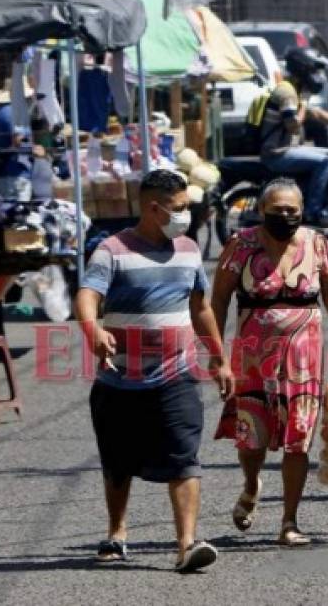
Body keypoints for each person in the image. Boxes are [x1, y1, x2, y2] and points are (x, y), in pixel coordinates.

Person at [75, 169, 234, 573]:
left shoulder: (188, 249)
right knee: (118, 462)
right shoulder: (112, 250)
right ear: (153, 207)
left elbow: (199, 307)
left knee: (184, 457)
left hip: (176, 374)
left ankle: (186, 544)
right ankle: (117, 533)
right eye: (180, 208)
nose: (186, 215)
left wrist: (219, 356)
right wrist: (93, 329)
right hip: (119, 379)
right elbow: (88, 295)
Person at [212, 178, 328, 545]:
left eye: (292, 211)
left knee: (299, 441)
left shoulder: (317, 244)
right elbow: (216, 303)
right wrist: (217, 357)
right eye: (276, 211)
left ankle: (289, 522)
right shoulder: (240, 245)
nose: (285, 217)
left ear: (302, 211)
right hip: (251, 360)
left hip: (304, 362)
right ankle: (251, 484)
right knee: (251, 441)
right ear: (261, 211)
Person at [260, 48, 328, 228]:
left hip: (289, 149)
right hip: (277, 153)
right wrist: (304, 104)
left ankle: (323, 200)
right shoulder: (287, 93)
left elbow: (318, 114)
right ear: (300, 73)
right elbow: (294, 124)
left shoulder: (294, 91)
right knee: (325, 162)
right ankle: (312, 211)